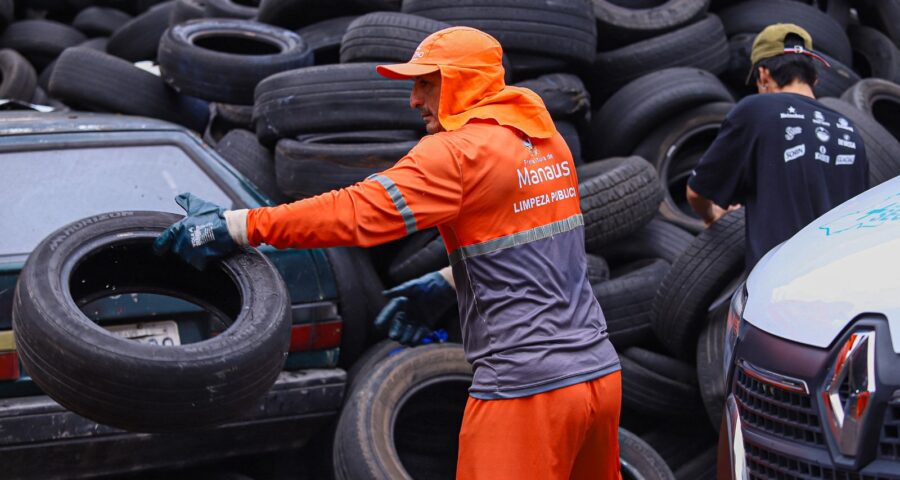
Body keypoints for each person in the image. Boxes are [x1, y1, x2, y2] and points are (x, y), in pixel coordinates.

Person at [154, 27, 622, 479]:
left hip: (525, 391)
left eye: (425, 84)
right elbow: (538, 241)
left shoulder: (456, 154)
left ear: (461, 83)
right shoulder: (544, 141)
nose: (414, 100)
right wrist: (446, 281)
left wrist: (235, 226)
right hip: (597, 377)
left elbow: (355, 212)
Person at [686, 23, 869, 269]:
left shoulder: (756, 111)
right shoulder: (851, 130)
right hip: (840, 288)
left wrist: (712, 216)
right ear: (813, 78)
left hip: (782, 288)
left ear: (763, 75)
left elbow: (697, 193)